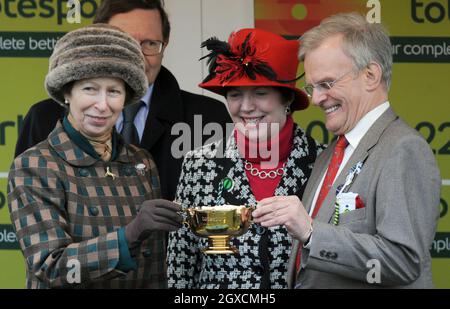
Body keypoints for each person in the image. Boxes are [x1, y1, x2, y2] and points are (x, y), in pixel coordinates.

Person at [252, 12, 441, 288]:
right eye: (312, 87)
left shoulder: (404, 149)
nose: (316, 99)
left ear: (370, 75)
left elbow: (403, 261)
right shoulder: (331, 153)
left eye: (326, 84)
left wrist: (312, 232)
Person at [7, 24, 182, 289]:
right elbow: (50, 266)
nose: (102, 105)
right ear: (67, 92)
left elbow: (155, 270)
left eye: (114, 91)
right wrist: (129, 235)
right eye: (90, 89)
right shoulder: (34, 165)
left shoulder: (142, 162)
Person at [14, 0, 231, 201]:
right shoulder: (44, 118)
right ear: (97, 39)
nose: (136, 56)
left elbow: (224, 205)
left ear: (165, 44)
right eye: (124, 42)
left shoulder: (207, 118)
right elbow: (32, 216)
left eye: (149, 43)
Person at [167, 28, 324, 289]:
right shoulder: (199, 164)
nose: (247, 107)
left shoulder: (323, 161)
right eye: (235, 94)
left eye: (260, 93)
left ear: (286, 98)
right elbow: (181, 266)